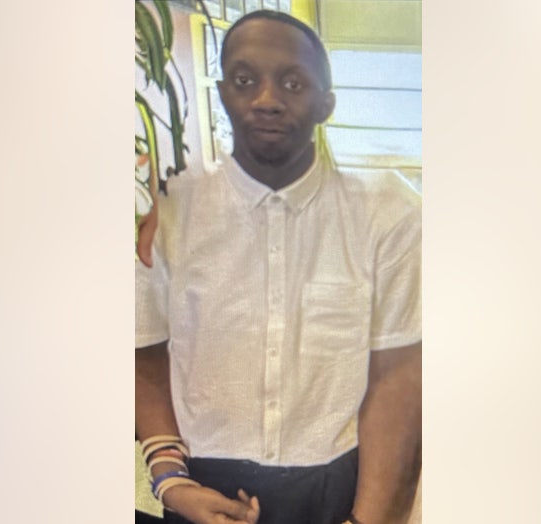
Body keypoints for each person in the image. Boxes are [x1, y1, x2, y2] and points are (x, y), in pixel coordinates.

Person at [135, 9, 421, 524]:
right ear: (223, 92)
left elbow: (396, 379)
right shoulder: (168, 211)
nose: (266, 99)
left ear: (326, 104)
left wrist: (366, 520)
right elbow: (146, 347)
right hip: (199, 482)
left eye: (292, 83)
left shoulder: (387, 214)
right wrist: (170, 478)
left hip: (336, 485)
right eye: (245, 80)